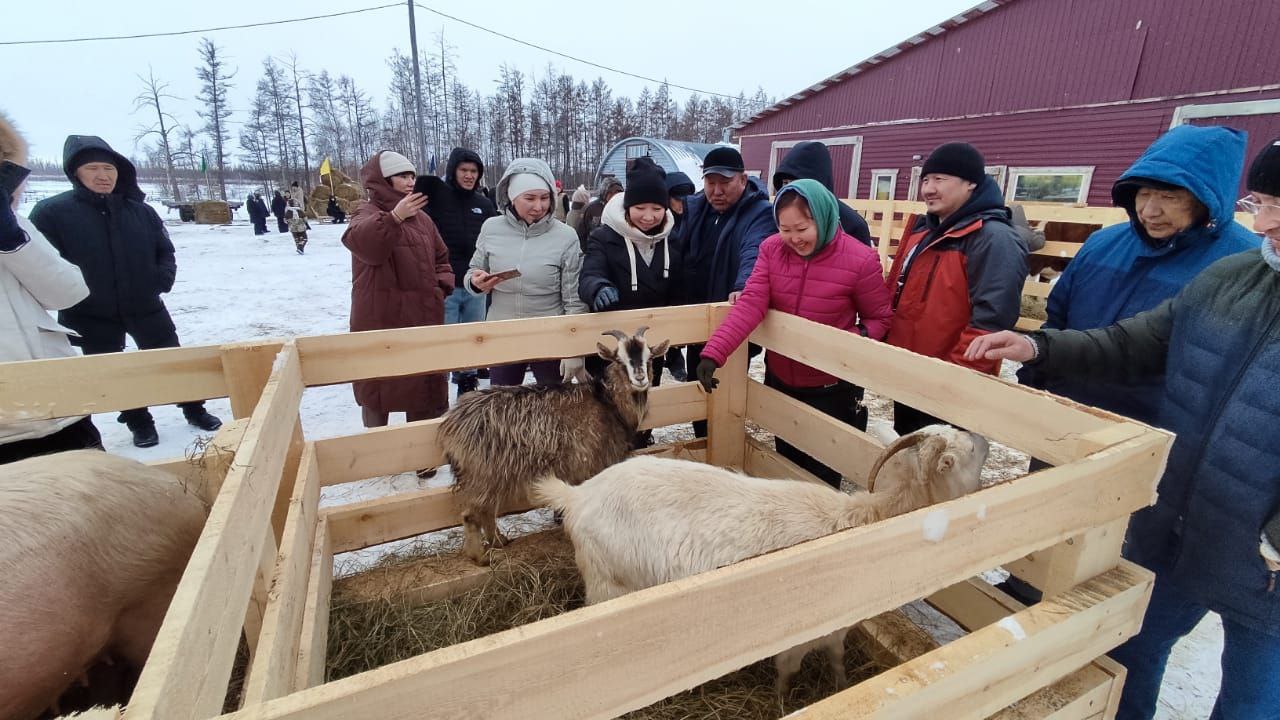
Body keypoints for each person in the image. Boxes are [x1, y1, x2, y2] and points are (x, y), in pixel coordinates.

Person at [963, 137, 1280, 720]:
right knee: (1132, 644)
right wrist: (1039, 344)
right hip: (1185, 515)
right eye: (1261, 204)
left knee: (1252, 697)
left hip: (1269, 558)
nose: (1264, 224)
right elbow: (1137, 340)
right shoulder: (1233, 277)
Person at [1018, 125, 1260, 429]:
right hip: (1067, 414)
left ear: (1207, 197)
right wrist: (1033, 381)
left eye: (1169, 196)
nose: (1149, 210)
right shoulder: (1103, 244)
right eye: (1143, 194)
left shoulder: (1244, 264)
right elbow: (1058, 318)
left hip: (1153, 432)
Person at [695, 179, 892, 486]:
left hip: (830, 386)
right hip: (781, 379)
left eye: (801, 230)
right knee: (785, 461)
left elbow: (879, 317)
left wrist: (851, 342)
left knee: (822, 472)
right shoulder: (772, 250)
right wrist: (714, 352)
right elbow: (750, 304)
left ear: (823, 218)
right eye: (785, 230)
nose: (793, 239)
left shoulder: (859, 259)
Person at [29, 134, 221, 448]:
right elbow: (42, 262)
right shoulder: (52, 213)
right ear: (75, 173)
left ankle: (194, 408)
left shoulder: (140, 211)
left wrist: (160, 279)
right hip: (90, 312)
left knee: (173, 360)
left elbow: (165, 250)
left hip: (145, 304)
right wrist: (70, 293)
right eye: (93, 168)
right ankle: (139, 422)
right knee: (113, 371)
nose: (103, 175)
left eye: (109, 168)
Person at [882, 141, 1027, 436]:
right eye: (925, 180)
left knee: (942, 462)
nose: (928, 189)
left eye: (940, 179)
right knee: (910, 452)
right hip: (912, 373)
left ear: (971, 182)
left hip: (950, 383)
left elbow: (990, 322)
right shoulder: (925, 232)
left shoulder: (992, 239)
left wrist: (955, 379)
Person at [0, 114, 101, 464]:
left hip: (63, 410)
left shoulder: (18, 227)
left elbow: (69, 292)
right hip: (6, 433)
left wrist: (13, 241)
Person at [341, 150, 454, 453]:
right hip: (381, 318)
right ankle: (378, 451)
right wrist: (394, 218)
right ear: (383, 179)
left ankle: (421, 454)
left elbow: (441, 258)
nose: (410, 181)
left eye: (412, 175)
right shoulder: (365, 212)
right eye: (402, 175)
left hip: (422, 315)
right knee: (379, 385)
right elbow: (366, 245)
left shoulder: (424, 220)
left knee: (422, 386)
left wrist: (440, 286)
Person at [674, 145, 777, 436]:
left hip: (730, 323)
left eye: (725, 182)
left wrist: (743, 286)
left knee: (724, 398)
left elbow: (754, 250)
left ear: (743, 180)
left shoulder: (759, 214)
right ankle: (703, 442)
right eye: (711, 182)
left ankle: (722, 453)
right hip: (696, 320)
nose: (717, 190)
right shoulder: (695, 209)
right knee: (699, 394)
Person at [465, 157, 586, 387]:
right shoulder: (492, 228)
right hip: (503, 333)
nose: (538, 206)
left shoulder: (565, 236)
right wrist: (475, 282)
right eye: (529, 198)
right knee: (503, 409)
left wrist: (574, 348)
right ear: (512, 197)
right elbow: (473, 271)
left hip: (549, 335)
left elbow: (574, 299)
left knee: (552, 410)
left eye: (544, 198)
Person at [578, 156, 683, 392]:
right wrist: (598, 287)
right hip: (613, 342)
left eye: (657, 209)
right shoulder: (604, 237)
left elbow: (680, 283)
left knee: (646, 396)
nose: (649, 216)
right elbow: (589, 273)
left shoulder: (672, 239)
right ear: (627, 207)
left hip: (650, 339)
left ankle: (645, 431)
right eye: (640, 208)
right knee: (610, 406)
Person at [418, 147, 498, 396]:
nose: (469, 175)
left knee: (473, 338)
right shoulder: (438, 199)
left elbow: (494, 239)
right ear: (453, 171)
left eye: (474, 171)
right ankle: (438, 387)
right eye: (463, 170)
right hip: (446, 285)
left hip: (475, 283)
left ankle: (468, 385)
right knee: (446, 341)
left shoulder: (483, 204)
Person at [771, 140, 873, 246]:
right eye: (785, 182)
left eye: (798, 182)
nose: (790, 188)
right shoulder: (777, 216)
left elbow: (862, 260)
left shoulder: (852, 225)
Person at [575, 175, 622, 250]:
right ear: (604, 193)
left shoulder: (624, 208)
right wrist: (586, 250)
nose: (614, 195)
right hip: (595, 250)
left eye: (617, 192)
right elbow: (581, 232)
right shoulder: (592, 208)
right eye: (610, 192)